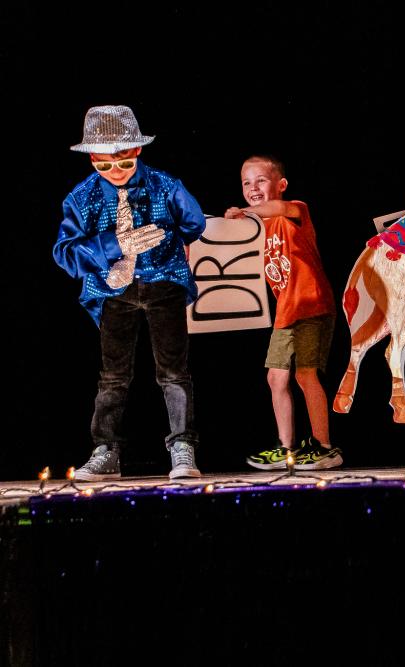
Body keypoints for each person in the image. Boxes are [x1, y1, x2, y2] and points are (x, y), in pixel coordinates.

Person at [53, 105, 205, 480]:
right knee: (113, 376)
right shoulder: (82, 197)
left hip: (162, 284)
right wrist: (113, 245)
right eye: (104, 165)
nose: (115, 172)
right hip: (112, 292)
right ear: (92, 159)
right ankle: (105, 451)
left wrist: (168, 245)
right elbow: (64, 251)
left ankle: (182, 449)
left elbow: (194, 222)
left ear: (136, 151)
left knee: (173, 371)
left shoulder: (165, 185)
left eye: (122, 162)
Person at [225, 155, 343, 469]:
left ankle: (325, 446)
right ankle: (286, 447)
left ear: (281, 184)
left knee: (306, 374)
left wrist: (244, 212)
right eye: (246, 183)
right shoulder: (252, 231)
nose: (253, 188)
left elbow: (276, 208)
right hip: (286, 311)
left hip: (311, 304)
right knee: (276, 378)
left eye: (261, 180)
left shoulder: (295, 209)